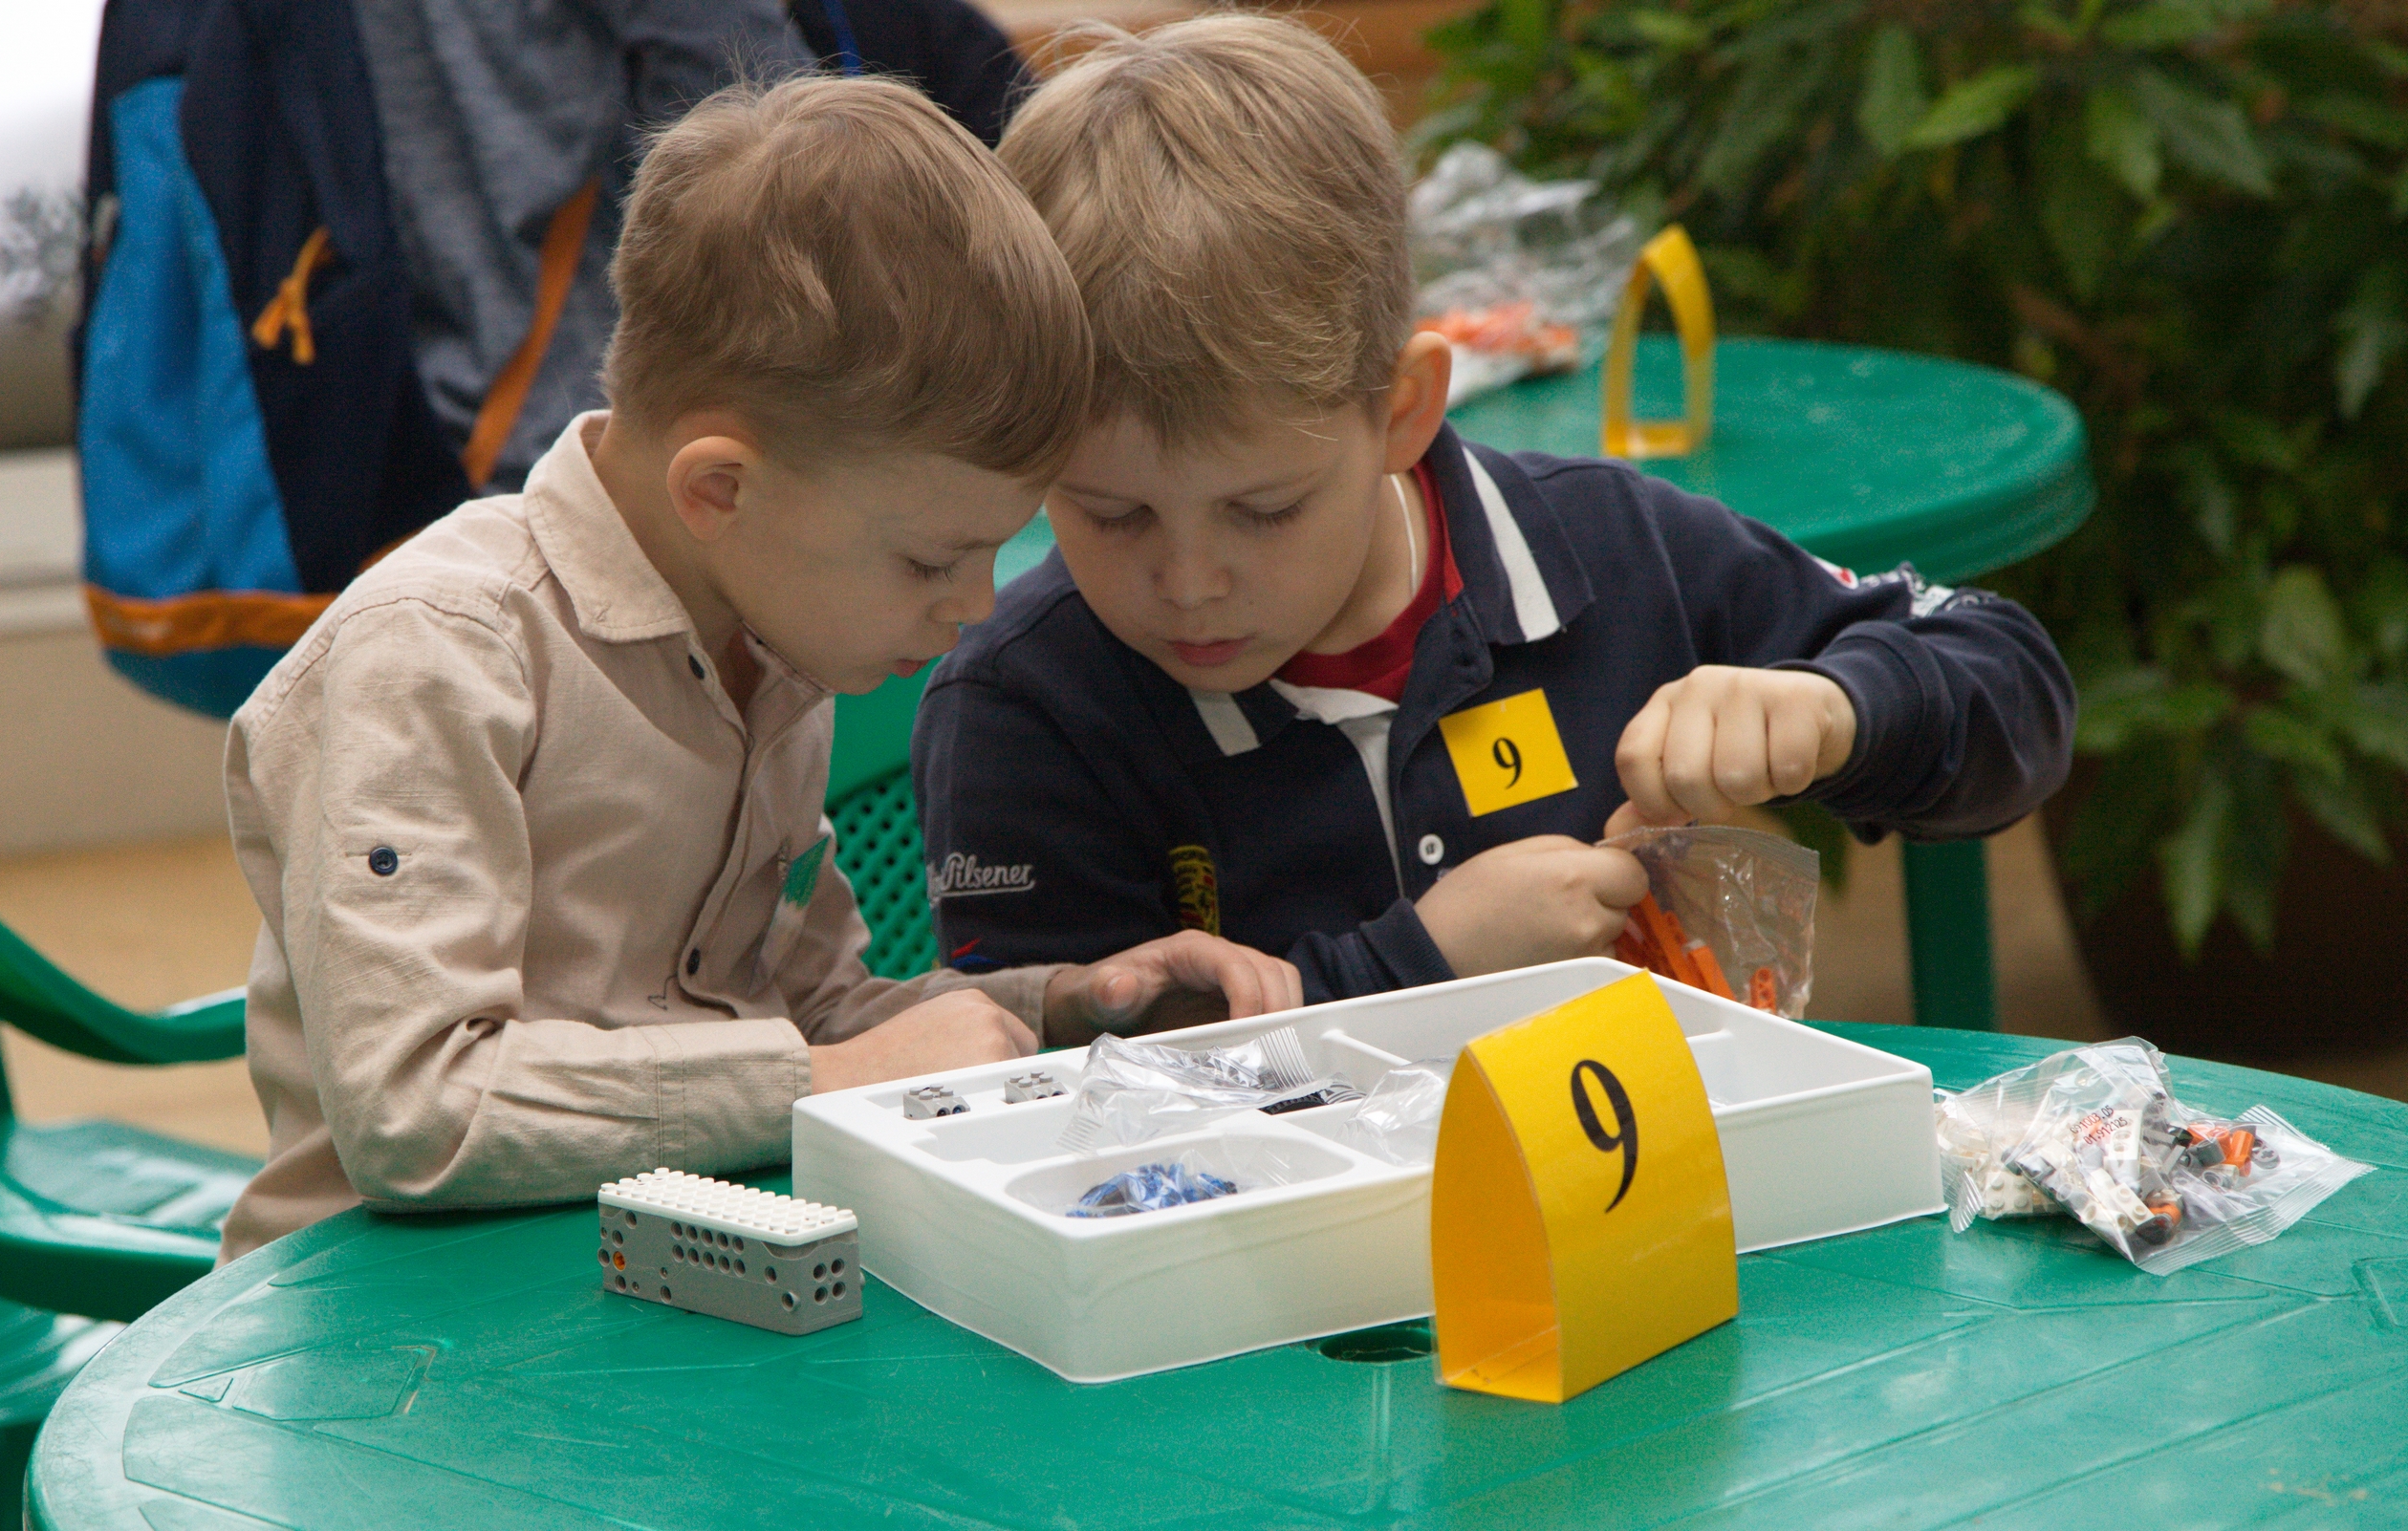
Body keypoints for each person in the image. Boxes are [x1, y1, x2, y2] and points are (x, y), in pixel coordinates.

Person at [218, 75, 1301, 1261]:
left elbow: (817, 1011)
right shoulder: (437, 651)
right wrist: (819, 1075)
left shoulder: (774, 634)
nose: (978, 605)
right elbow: (416, 1109)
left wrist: (1063, 1012)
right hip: (379, 1347)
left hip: (645, 1290)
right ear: (718, 490)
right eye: (934, 557)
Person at [913, 16, 2075, 1003]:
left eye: (1263, 510)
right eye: (1110, 514)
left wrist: (1838, 704)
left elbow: (2009, 691)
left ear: (1403, 408)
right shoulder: (1029, 706)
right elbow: (1043, 1102)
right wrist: (1422, 964)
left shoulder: (1608, 551)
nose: (1189, 579)